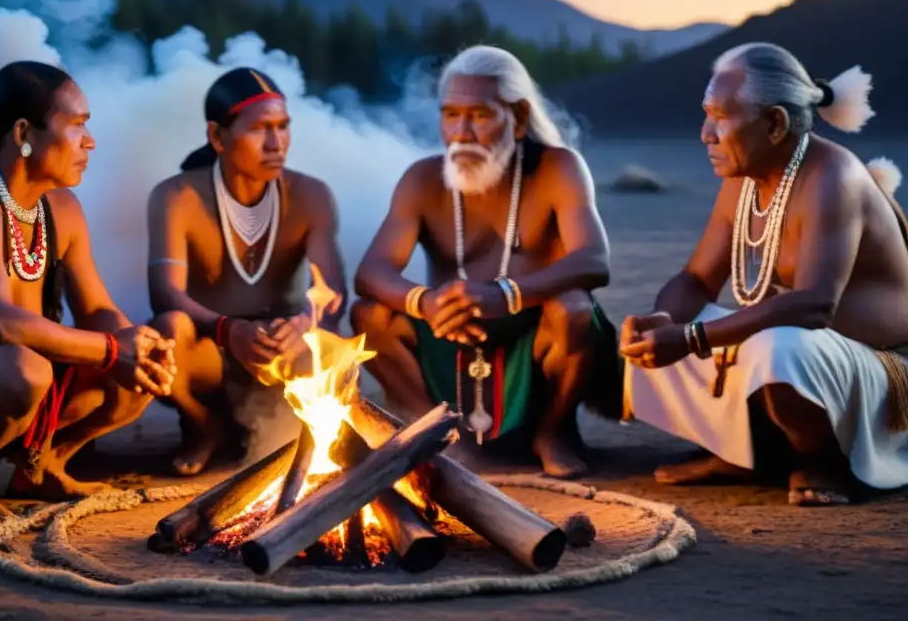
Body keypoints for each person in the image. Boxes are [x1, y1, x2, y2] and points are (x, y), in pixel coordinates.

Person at [0, 61, 175, 529]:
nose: (90, 141)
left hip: (2, 381)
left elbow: (97, 308)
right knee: (25, 368)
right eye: (77, 125)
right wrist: (110, 348)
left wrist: (137, 346)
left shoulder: (61, 208)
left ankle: (41, 467)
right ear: (24, 132)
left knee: (132, 361)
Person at [620, 42, 908, 506]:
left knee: (778, 344)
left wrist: (692, 337)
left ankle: (823, 461)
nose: (705, 134)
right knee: (679, 335)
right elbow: (695, 280)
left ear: (774, 124)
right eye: (705, 114)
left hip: (884, 372)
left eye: (720, 117)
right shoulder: (744, 180)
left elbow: (815, 304)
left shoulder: (833, 177)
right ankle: (744, 453)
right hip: (819, 355)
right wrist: (660, 321)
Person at [351, 45, 621, 480]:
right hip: (450, 334)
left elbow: (593, 260)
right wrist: (427, 304)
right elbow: (371, 272)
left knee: (573, 309)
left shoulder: (558, 169)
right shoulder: (422, 179)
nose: (461, 132)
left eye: (479, 115)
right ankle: (433, 437)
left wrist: (506, 295)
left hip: (530, 335)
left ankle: (552, 433)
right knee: (369, 314)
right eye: (450, 115)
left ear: (516, 119)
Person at [148, 67, 346, 476]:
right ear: (218, 137)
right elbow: (165, 293)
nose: (277, 143)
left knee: (330, 345)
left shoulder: (310, 195)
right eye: (260, 129)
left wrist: (303, 323)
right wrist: (229, 331)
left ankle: (295, 434)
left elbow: (333, 290)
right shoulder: (177, 196)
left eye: (283, 127)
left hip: (279, 350)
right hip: (212, 348)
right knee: (167, 332)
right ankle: (203, 426)